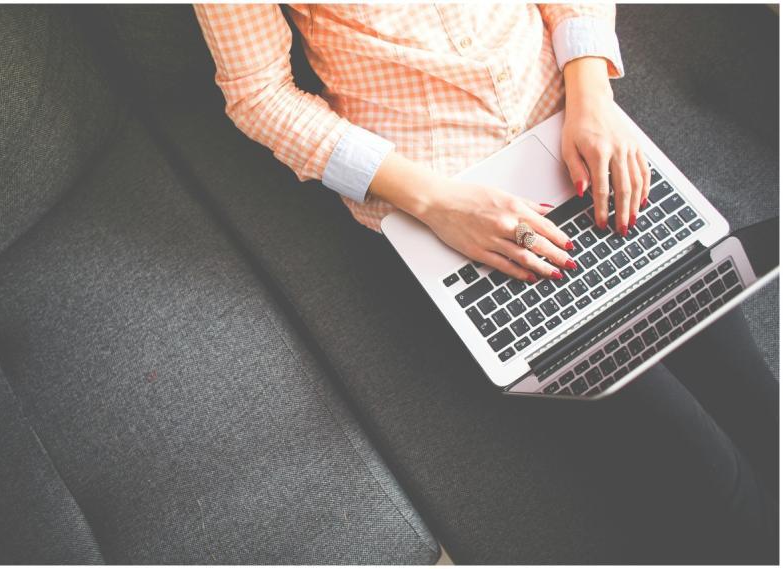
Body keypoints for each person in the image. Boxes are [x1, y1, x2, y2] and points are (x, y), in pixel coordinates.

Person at [195, 4, 777, 561]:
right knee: (708, 475)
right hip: (450, 206)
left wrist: (593, 98)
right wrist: (438, 202)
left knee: (754, 401)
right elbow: (259, 94)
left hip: (574, 135)